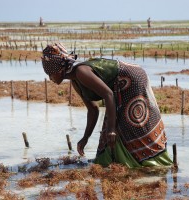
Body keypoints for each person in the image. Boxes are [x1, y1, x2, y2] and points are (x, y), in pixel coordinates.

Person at [41, 43, 172, 168]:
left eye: (50, 73)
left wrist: (112, 129)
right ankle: (122, 163)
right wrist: (85, 138)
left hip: (132, 79)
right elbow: (93, 110)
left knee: (129, 123)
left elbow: (108, 95)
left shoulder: (81, 72)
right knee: (112, 124)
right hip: (118, 87)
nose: (50, 78)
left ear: (58, 69)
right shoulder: (76, 80)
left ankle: (149, 162)